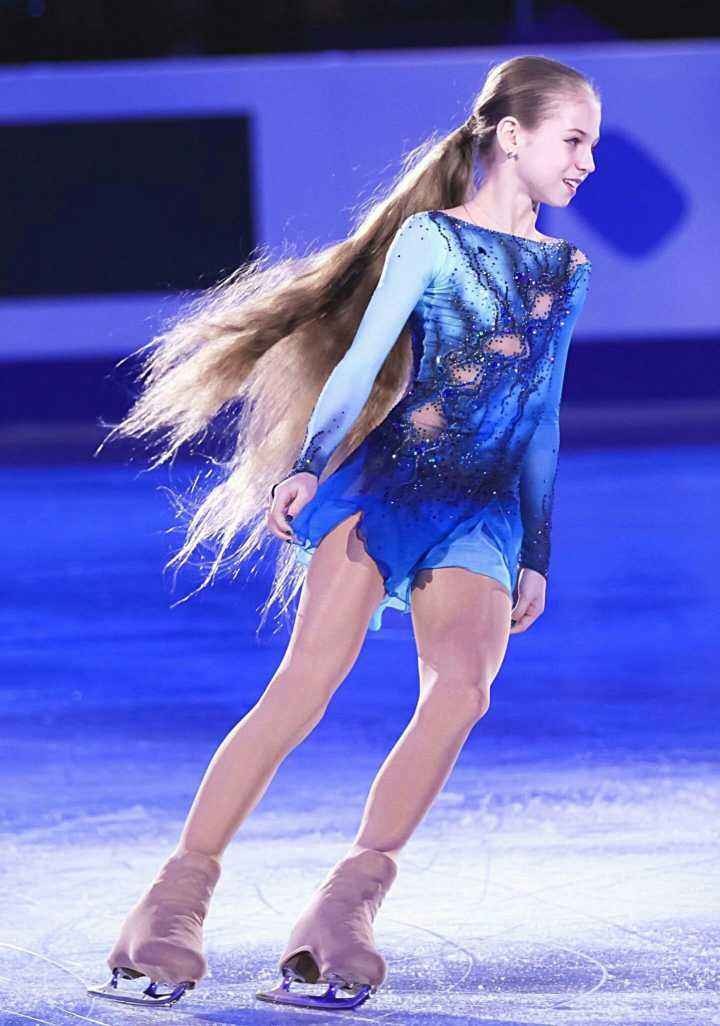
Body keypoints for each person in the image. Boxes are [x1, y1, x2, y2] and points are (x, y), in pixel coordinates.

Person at [89, 54, 600, 1010]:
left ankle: (343, 909)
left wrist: (536, 550)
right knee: (304, 686)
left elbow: (542, 416)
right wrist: (309, 464)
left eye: (592, 146)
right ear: (512, 135)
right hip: (389, 490)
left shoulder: (565, 270)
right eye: (574, 140)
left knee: (463, 692)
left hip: (483, 513)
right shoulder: (431, 239)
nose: (586, 162)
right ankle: (172, 900)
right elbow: (364, 361)